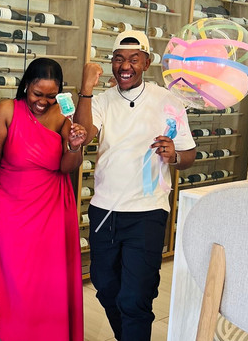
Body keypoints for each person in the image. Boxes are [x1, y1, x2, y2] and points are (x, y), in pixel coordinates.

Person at [74, 30, 196, 341]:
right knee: (105, 286)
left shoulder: (168, 101)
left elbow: (189, 156)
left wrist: (174, 155)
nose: (125, 66)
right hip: (104, 210)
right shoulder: (100, 101)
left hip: (147, 211)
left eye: (133, 59)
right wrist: (86, 89)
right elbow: (83, 136)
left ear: (147, 62)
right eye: (118, 59)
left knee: (136, 296)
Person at [0, 57, 86, 341]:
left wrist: (74, 147)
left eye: (51, 96)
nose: (43, 102)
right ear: (26, 85)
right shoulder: (6, 110)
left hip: (52, 207)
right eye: (37, 94)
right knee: (16, 281)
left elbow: (67, 167)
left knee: (50, 282)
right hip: (11, 206)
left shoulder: (63, 116)